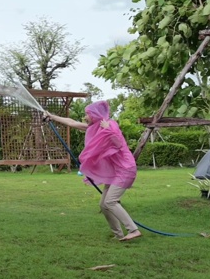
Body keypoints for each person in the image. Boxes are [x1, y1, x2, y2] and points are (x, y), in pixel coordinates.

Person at [44, 100, 141, 241]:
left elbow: (119, 143)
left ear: (95, 114)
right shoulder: (95, 127)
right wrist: (52, 116)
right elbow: (72, 123)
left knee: (110, 202)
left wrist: (108, 129)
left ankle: (133, 230)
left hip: (125, 170)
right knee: (103, 204)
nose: (85, 117)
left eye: (87, 114)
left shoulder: (110, 125)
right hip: (116, 171)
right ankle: (118, 234)